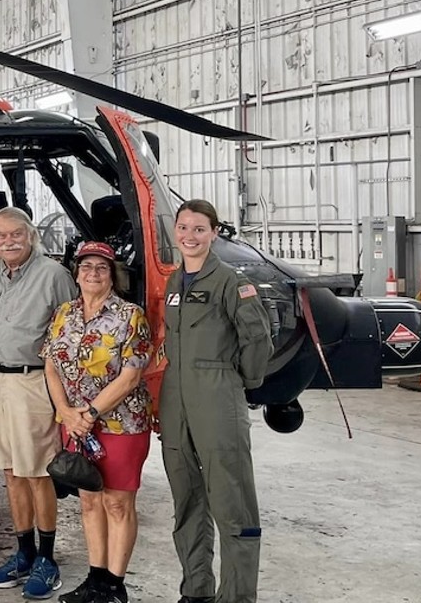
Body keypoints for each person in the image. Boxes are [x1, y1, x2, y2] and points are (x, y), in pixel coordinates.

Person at [161, 200, 272, 603]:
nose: (190, 236)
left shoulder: (231, 282)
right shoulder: (175, 283)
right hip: (176, 400)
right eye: (183, 227)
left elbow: (257, 338)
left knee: (232, 502)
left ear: (213, 233)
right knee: (186, 500)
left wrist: (241, 381)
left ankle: (237, 596)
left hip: (217, 395)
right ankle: (196, 590)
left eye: (199, 229)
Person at [44, 242, 155, 603]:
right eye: (86, 266)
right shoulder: (64, 314)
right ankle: (94, 580)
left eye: (101, 268)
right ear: (76, 273)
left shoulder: (130, 315)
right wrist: (65, 411)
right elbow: (51, 364)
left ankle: (114, 586)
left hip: (120, 425)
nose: (93, 273)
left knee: (118, 504)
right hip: (75, 424)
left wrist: (89, 413)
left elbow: (131, 376)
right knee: (89, 502)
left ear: (113, 274)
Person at [0, 207, 77, 598]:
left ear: (31, 235)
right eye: (1, 235)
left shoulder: (54, 276)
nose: (10, 241)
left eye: (17, 234)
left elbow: (70, 333)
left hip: (32, 381)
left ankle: (47, 560)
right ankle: (23, 553)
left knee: (37, 472)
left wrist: (66, 399)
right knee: (11, 472)